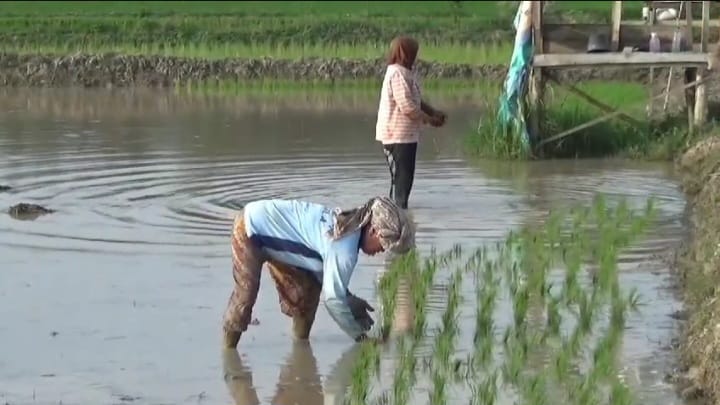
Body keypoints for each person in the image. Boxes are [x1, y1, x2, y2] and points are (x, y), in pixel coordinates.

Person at [222, 196, 415, 349]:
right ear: (373, 230)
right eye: (384, 244)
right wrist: (361, 338)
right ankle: (228, 354)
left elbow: (326, 277)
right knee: (245, 297)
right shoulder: (345, 248)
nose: (382, 251)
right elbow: (332, 300)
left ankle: (300, 350)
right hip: (250, 228)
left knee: (308, 295)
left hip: (281, 241)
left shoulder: (349, 225)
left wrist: (349, 300)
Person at [375, 35, 448, 210]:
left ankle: (399, 211)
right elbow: (407, 106)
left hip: (405, 135)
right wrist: (429, 120)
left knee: (405, 178)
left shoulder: (404, 73)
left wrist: (432, 112)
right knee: (401, 178)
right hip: (396, 136)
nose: (416, 56)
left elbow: (415, 101)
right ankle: (397, 213)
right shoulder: (397, 74)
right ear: (405, 54)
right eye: (413, 52)